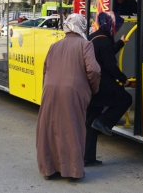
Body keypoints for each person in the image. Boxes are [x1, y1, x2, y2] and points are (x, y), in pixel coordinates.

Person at [36, 14, 101, 180]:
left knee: (50, 128)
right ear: (82, 27)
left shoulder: (54, 45)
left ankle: (50, 169)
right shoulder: (86, 45)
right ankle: (72, 171)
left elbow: (45, 68)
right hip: (73, 92)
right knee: (72, 128)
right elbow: (93, 70)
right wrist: (93, 89)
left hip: (50, 90)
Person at [84, 11, 133, 167]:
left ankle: (88, 157)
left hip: (90, 85)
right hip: (103, 85)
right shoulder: (105, 41)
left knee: (90, 121)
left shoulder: (93, 37)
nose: (117, 29)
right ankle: (104, 122)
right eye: (116, 26)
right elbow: (110, 65)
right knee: (125, 99)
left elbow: (105, 53)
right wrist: (123, 79)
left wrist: (120, 43)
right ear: (111, 25)